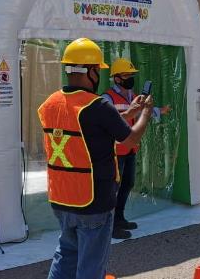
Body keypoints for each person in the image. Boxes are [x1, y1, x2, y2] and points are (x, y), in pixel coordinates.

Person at [38, 38, 153, 279]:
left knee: (66, 253)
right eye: (97, 70)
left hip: (62, 198)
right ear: (91, 71)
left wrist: (127, 111)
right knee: (91, 265)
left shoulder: (50, 103)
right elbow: (129, 139)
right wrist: (145, 114)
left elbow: (93, 119)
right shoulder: (97, 105)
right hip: (93, 201)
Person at [101, 58, 170, 239]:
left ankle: (120, 218)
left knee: (127, 184)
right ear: (116, 78)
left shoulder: (132, 96)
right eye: (126, 75)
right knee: (113, 188)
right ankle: (111, 226)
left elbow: (140, 111)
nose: (130, 78)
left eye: (131, 75)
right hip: (115, 152)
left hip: (130, 149)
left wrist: (158, 111)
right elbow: (107, 122)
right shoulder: (107, 98)